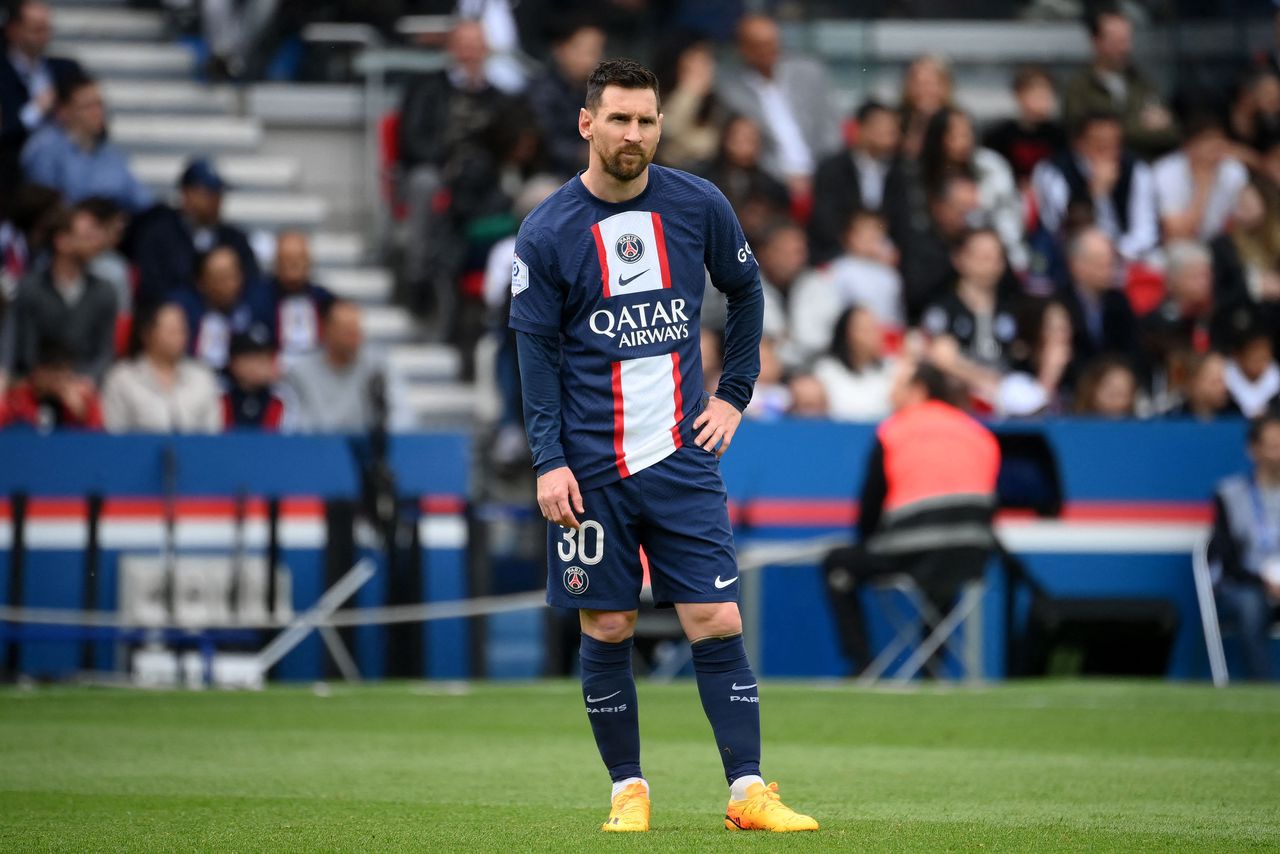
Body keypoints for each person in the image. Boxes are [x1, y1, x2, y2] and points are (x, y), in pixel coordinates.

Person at [509, 59, 816, 833]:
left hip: (682, 459)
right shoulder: (546, 231)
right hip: (588, 471)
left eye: (646, 121)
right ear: (588, 124)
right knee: (608, 627)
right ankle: (628, 792)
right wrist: (548, 460)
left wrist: (734, 395)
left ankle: (747, 791)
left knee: (716, 619)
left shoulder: (698, 203)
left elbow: (746, 292)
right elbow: (535, 360)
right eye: (619, 119)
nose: (634, 134)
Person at [822, 361, 1000, 671]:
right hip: (973, 557)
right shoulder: (978, 432)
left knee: (836, 564)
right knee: (945, 575)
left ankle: (862, 666)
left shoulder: (895, 430)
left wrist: (866, 543)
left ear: (918, 390)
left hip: (911, 552)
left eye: (897, 385)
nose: (890, 394)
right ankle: (932, 667)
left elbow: (870, 509)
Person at [716, 13, 841, 196]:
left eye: (773, 42)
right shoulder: (732, 92)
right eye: (761, 45)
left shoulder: (809, 73)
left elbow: (831, 128)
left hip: (823, 176)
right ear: (743, 49)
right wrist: (786, 178)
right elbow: (750, 146)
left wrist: (820, 175)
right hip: (771, 184)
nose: (770, 50)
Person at [129, 158, 260, 309]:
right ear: (186, 193)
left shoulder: (234, 239)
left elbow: (252, 283)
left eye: (218, 194)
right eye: (208, 193)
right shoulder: (159, 235)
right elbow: (152, 288)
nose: (216, 201)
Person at [1031, 111, 1159, 262]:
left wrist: (1119, 252)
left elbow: (1146, 229)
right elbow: (1057, 227)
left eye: (1114, 144)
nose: (1109, 151)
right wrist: (1092, 194)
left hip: (1128, 254)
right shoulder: (1054, 171)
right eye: (1100, 144)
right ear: (1079, 144)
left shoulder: (1136, 169)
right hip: (1074, 256)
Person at [1210, 411, 1280, 680]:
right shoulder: (1230, 495)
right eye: (1272, 445)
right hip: (1247, 585)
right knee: (1250, 605)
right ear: (1253, 449)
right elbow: (1226, 559)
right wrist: (1265, 582)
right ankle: (1263, 689)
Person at [12, 206, 118, 383]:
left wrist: (84, 381)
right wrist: (54, 383)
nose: (97, 241)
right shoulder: (30, 289)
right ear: (62, 241)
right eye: (87, 236)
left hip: (86, 387)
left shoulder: (105, 292)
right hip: (37, 385)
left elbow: (104, 354)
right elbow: (23, 350)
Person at [20, 74, 152, 213]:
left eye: (100, 104)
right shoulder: (44, 148)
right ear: (63, 112)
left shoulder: (111, 153)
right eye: (88, 106)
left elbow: (142, 201)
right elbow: (43, 208)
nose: (98, 112)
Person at [1062, 3, 1179, 159]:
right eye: (1115, 41)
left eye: (1126, 40)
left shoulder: (1143, 82)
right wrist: (1140, 126)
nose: (1124, 48)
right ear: (1096, 41)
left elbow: (1171, 133)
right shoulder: (1079, 87)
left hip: (1143, 169)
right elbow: (1080, 137)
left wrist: (1113, 130)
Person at [917, 106, 1025, 271]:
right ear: (937, 137)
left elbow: (1008, 218)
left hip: (990, 254)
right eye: (954, 134)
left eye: (967, 133)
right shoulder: (918, 173)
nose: (963, 140)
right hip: (936, 256)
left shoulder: (989, 167)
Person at [921, 228, 1020, 405]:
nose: (990, 263)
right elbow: (939, 355)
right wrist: (983, 378)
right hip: (959, 400)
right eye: (982, 256)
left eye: (996, 256)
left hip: (1008, 397)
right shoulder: (943, 310)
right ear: (959, 259)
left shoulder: (1012, 310)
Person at [789, 210, 902, 364]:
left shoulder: (890, 277)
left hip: (881, 350)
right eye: (863, 233)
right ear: (848, 237)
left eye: (876, 233)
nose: (870, 239)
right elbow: (826, 318)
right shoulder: (835, 272)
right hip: (841, 351)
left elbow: (894, 322)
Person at [280, 300, 409, 434]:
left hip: (366, 450)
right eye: (346, 330)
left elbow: (401, 416)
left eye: (356, 329)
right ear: (327, 331)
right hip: (317, 449)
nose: (354, 337)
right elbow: (294, 425)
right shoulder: (301, 372)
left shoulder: (379, 368)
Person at [101, 302, 222, 433]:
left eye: (182, 330)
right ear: (146, 334)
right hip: (137, 452)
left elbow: (213, 436)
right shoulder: (122, 378)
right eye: (171, 331)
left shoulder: (202, 377)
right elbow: (114, 435)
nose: (179, 337)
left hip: (195, 452)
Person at [0, 0, 83, 186]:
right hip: (14, 177)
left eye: (47, 28)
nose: (44, 36)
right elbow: (5, 133)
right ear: (13, 30)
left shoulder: (66, 70)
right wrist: (35, 110)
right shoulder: (3, 74)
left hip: (69, 169)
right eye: (36, 29)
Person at [809, 100, 901, 263]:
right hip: (838, 255)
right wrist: (858, 246)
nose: (889, 132)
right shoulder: (832, 169)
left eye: (893, 127)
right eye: (881, 126)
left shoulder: (900, 172)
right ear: (860, 128)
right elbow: (825, 221)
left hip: (887, 258)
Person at [526, 18, 606, 179]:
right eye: (586, 50)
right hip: (549, 176)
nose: (593, 58)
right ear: (560, 50)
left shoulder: (603, 89)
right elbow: (543, 144)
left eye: (597, 50)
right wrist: (582, 153)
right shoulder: (541, 91)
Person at [1153, 112, 1249, 243]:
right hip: (1180, 243)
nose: (1216, 148)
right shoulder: (1165, 173)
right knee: (1195, 260)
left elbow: (1251, 215)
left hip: (1221, 240)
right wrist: (1202, 188)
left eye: (1219, 141)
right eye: (1208, 142)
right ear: (1188, 147)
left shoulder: (1232, 168)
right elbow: (1177, 233)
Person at [175, 245, 271, 373]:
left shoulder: (255, 308)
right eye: (221, 278)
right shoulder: (184, 314)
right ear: (201, 282)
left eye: (233, 276)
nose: (229, 284)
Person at [695, 115, 791, 241]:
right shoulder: (702, 177)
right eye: (740, 138)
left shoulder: (769, 185)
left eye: (751, 139)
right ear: (726, 138)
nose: (745, 145)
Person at [1056, 227, 1141, 369]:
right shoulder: (1060, 304)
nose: (1109, 270)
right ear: (1076, 265)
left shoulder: (1119, 302)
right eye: (1101, 264)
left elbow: (1132, 351)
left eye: (1111, 263)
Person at [983, 66, 1067, 188]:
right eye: (1037, 93)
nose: (1044, 99)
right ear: (1019, 95)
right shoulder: (999, 136)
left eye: (1048, 93)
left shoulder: (1060, 136)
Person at [812, 306, 897, 422]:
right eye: (864, 330)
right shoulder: (826, 371)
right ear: (846, 334)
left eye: (875, 328)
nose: (873, 335)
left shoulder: (892, 368)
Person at [266, 231, 334, 368]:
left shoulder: (326, 301)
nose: (293, 264)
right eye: (287, 259)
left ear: (309, 261)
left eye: (299, 258)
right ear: (276, 262)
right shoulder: (259, 300)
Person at [0, 339, 102, 430]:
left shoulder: (83, 399)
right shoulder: (18, 398)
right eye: (50, 372)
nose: (55, 381)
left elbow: (98, 438)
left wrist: (81, 413)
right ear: (37, 371)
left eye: (61, 373)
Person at [222, 326, 284, 430]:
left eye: (263, 358)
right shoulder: (220, 400)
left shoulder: (283, 401)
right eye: (248, 358)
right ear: (233, 362)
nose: (255, 366)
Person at [1166, 351, 1240, 420]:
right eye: (1215, 381)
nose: (1224, 388)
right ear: (1194, 382)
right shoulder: (1171, 418)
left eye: (1225, 381)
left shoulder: (1238, 417)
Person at [1225, 326, 1280, 418]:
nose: (1259, 364)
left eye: (1264, 358)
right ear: (1238, 356)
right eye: (1254, 359)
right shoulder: (1223, 379)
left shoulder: (1275, 377)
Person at [1072, 355, 1139, 418]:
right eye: (1110, 388)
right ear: (1092, 388)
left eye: (1123, 391)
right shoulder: (1071, 423)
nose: (1116, 396)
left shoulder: (1139, 427)